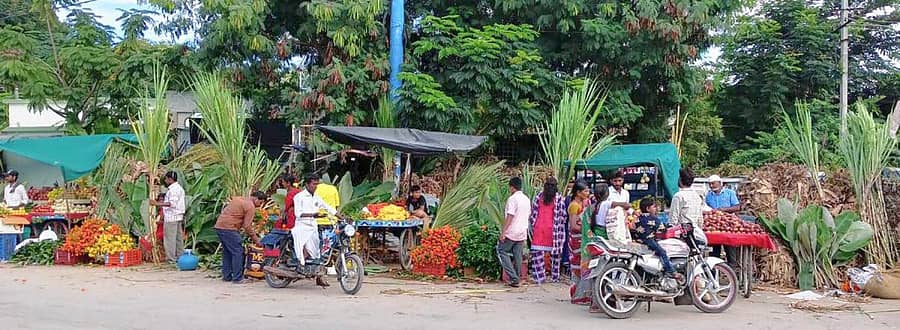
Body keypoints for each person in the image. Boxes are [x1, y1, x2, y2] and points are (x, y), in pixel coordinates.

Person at [293, 173, 339, 287]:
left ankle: (315, 271)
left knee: (317, 251)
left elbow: (328, 208)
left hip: (313, 226)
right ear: (307, 184)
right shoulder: (299, 197)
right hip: (302, 226)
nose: (316, 186)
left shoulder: (316, 197)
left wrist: (341, 216)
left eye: (317, 184)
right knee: (303, 245)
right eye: (314, 184)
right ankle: (300, 265)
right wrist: (314, 215)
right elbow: (298, 214)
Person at [213, 191, 265, 284]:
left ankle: (227, 276)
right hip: (229, 228)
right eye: (260, 203)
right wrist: (256, 240)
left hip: (219, 226)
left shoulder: (238, 199)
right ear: (256, 199)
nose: (259, 206)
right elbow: (247, 226)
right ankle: (237, 278)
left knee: (227, 252)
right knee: (238, 252)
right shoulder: (250, 206)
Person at [528, 177, 567, 284]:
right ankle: (555, 277)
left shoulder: (538, 196)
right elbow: (563, 216)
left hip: (539, 229)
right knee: (556, 255)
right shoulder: (559, 198)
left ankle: (539, 278)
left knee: (537, 255)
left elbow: (533, 214)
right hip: (554, 230)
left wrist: (533, 224)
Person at [633, 198, 680, 280]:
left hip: (639, 239)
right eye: (654, 207)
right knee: (662, 252)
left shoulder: (638, 217)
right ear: (648, 209)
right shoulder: (653, 219)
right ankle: (670, 270)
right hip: (649, 240)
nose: (656, 209)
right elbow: (662, 229)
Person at [497, 177, 530, 287]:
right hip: (522, 230)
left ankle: (514, 277)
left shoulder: (512, 199)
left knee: (502, 250)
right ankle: (516, 278)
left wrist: (503, 232)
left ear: (512, 187)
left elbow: (510, 216)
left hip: (512, 231)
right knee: (518, 255)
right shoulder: (526, 199)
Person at [568, 180, 595, 307]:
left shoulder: (586, 203)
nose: (588, 193)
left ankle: (585, 294)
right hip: (578, 239)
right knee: (579, 266)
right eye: (585, 191)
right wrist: (586, 230)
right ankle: (579, 295)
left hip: (584, 238)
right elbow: (573, 225)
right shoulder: (574, 205)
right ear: (578, 193)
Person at [706, 175, 744, 264]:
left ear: (720, 183)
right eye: (710, 184)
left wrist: (724, 209)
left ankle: (733, 269)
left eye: (713, 183)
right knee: (714, 253)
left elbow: (737, 207)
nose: (711, 186)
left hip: (729, 225)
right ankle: (714, 271)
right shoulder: (708, 196)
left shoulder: (730, 193)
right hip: (714, 226)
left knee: (730, 250)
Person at [150, 171, 186, 263]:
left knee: (170, 239)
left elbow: (171, 204)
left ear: (170, 179)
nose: (165, 181)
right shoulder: (178, 188)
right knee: (178, 239)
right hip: (177, 216)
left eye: (166, 179)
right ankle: (180, 256)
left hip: (171, 217)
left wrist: (157, 203)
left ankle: (171, 259)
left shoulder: (174, 190)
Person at [670, 169, 706, 245]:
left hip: (683, 235)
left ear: (680, 180)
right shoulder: (696, 196)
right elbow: (700, 219)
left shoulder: (678, 196)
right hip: (696, 233)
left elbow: (673, 220)